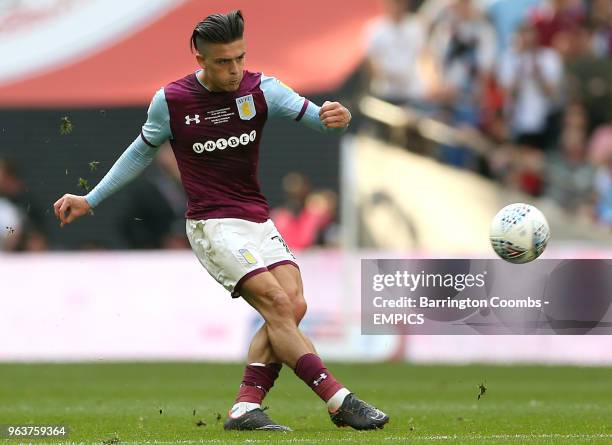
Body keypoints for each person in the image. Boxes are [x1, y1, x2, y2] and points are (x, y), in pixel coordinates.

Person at [52, 10, 389, 432]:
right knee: (279, 305)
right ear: (200, 59)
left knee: (293, 306)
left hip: (256, 219)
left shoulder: (263, 89)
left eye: (239, 58)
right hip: (212, 224)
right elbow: (141, 151)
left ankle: (246, 408)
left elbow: (322, 121)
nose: (234, 70)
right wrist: (92, 198)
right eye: (223, 62)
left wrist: (337, 119)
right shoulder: (171, 101)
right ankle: (339, 400)